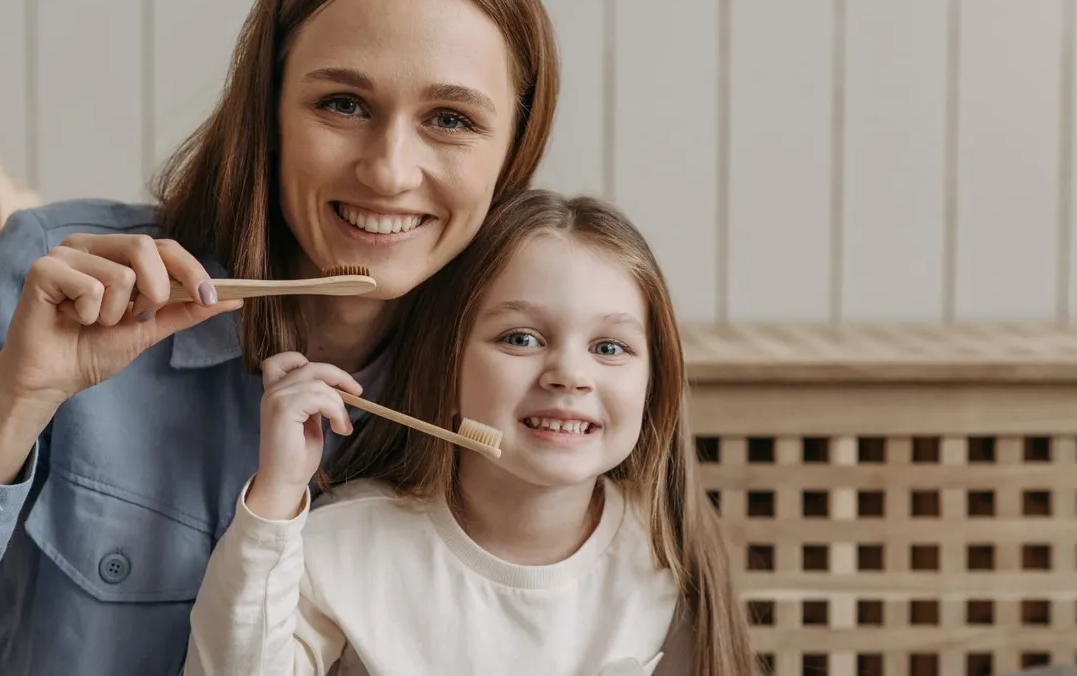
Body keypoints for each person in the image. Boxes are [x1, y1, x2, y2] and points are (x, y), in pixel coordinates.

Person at [0, 0, 558, 674]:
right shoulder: (52, 284)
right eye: (344, 103)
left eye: (451, 119)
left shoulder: (538, 389)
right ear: (269, 109)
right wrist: (9, 407)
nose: (389, 172)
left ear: (514, 149)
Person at [182, 191, 758, 676]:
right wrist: (278, 494)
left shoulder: (665, 556)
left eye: (610, 348)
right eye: (521, 339)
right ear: (447, 362)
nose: (569, 375)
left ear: (654, 384)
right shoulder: (344, 547)